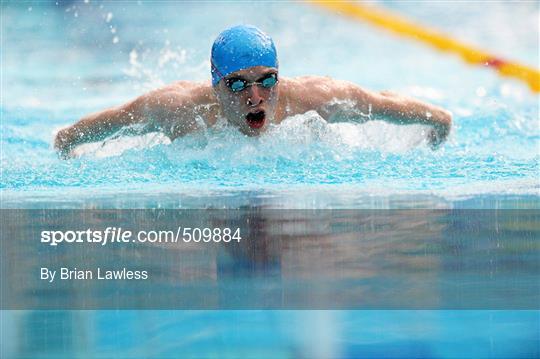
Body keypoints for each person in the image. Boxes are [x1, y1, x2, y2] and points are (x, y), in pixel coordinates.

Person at [54, 25, 452, 157]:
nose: (255, 97)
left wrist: (438, 125)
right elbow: (70, 137)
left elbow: (382, 104)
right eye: (238, 84)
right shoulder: (175, 109)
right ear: (215, 85)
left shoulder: (314, 99)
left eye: (267, 80)